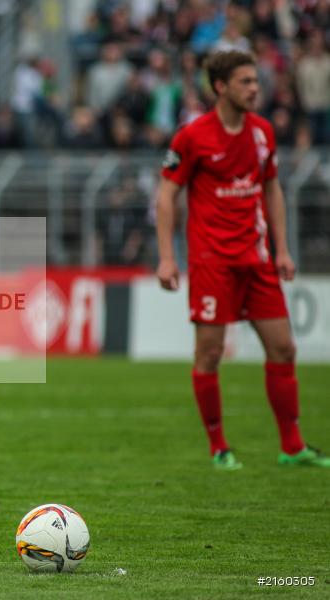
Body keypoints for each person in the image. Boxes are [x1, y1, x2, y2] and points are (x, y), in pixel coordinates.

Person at [154, 51, 328, 471]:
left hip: (258, 258)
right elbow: (167, 194)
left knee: (284, 348)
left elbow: (272, 189)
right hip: (213, 262)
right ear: (221, 87)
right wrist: (166, 258)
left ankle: (292, 446)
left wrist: (282, 249)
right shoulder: (192, 136)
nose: (256, 88)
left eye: (256, 81)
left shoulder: (263, 132)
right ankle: (219, 448)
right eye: (246, 82)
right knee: (210, 354)